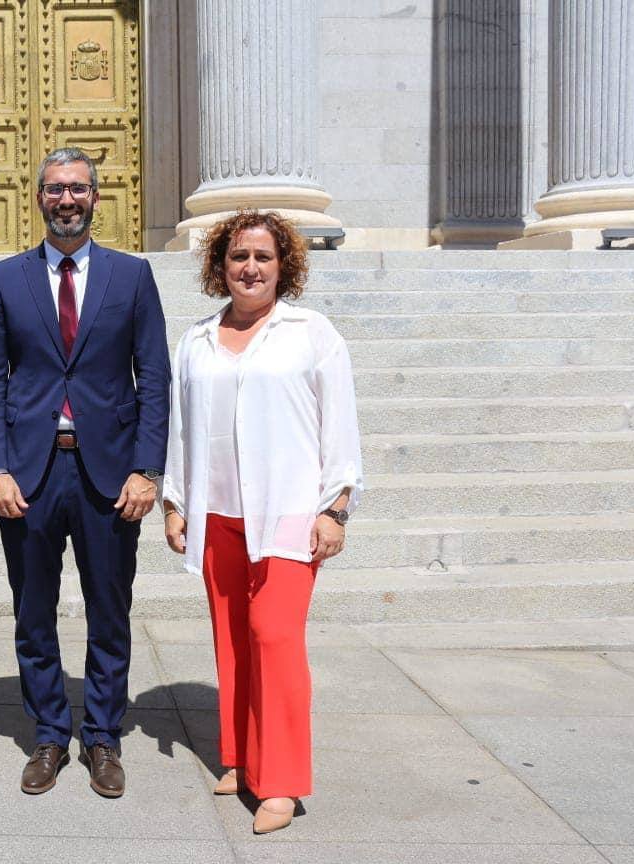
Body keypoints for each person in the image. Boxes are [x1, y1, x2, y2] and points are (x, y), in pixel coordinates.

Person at [0, 148, 171, 798]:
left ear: (95, 197)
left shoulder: (132, 276)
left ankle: (103, 736)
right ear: (38, 198)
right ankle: (50, 733)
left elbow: (154, 377)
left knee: (109, 610)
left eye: (78, 189)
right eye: (56, 189)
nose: (67, 199)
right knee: (33, 612)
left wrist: (147, 469)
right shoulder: (5, 278)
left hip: (109, 476)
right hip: (28, 474)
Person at [163, 210, 363, 834]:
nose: (250, 268)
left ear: (283, 266)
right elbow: (179, 426)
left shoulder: (311, 333)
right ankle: (241, 757)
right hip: (216, 512)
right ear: (220, 265)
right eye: (238, 257)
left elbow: (340, 425)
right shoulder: (196, 339)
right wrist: (175, 501)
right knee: (231, 638)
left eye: (263, 257)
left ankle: (280, 780)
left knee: (273, 636)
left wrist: (336, 508)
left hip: (288, 512)